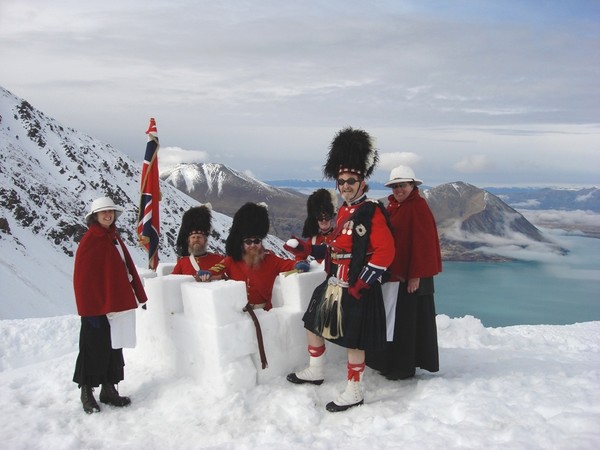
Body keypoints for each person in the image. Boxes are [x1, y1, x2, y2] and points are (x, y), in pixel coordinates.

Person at [285, 127, 395, 412]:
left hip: (358, 286)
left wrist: (363, 283)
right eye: (341, 181)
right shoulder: (344, 211)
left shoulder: (372, 211)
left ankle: (355, 390)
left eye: (350, 181)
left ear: (362, 182)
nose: (344, 185)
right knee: (312, 321)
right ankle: (316, 370)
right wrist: (306, 249)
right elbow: (336, 248)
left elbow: (386, 252)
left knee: (354, 339)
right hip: (334, 282)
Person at [366, 165, 442, 380]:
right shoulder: (394, 207)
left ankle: (403, 367)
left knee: (406, 323)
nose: (399, 190)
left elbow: (423, 243)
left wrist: (415, 275)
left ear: (412, 185)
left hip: (410, 277)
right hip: (395, 274)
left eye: (403, 185)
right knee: (395, 321)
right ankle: (389, 362)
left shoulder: (417, 207)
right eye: (396, 186)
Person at [72, 196, 148, 414]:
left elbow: (126, 268)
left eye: (110, 212)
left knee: (113, 348)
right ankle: (87, 392)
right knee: (92, 349)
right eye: (103, 212)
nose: (108, 215)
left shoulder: (112, 237)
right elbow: (83, 279)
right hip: (96, 308)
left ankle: (108, 389)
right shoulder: (91, 240)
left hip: (115, 305)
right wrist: (90, 309)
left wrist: (138, 295)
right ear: (95, 217)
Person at [196, 202, 309, 311]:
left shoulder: (271, 259)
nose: (253, 245)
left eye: (256, 241)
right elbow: (216, 269)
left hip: (264, 313)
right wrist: (207, 273)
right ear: (241, 243)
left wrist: (299, 263)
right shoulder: (232, 260)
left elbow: (288, 264)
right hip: (240, 313)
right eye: (248, 241)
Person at [172, 204, 223, 275]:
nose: (196, 240)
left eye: (199, 237)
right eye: (193, 237)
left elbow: (227, 277)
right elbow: (172, 281)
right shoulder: (182, 262)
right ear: (189, 241)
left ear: (205, 240)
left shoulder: (218, 259)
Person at [295, 188, 336, 262]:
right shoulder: (313, 240)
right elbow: (302, 255)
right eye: (320, 218)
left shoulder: (339, 236)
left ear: (331, 218)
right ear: (316, 219)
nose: (324, 220)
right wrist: (299, 262)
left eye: (326, 217)